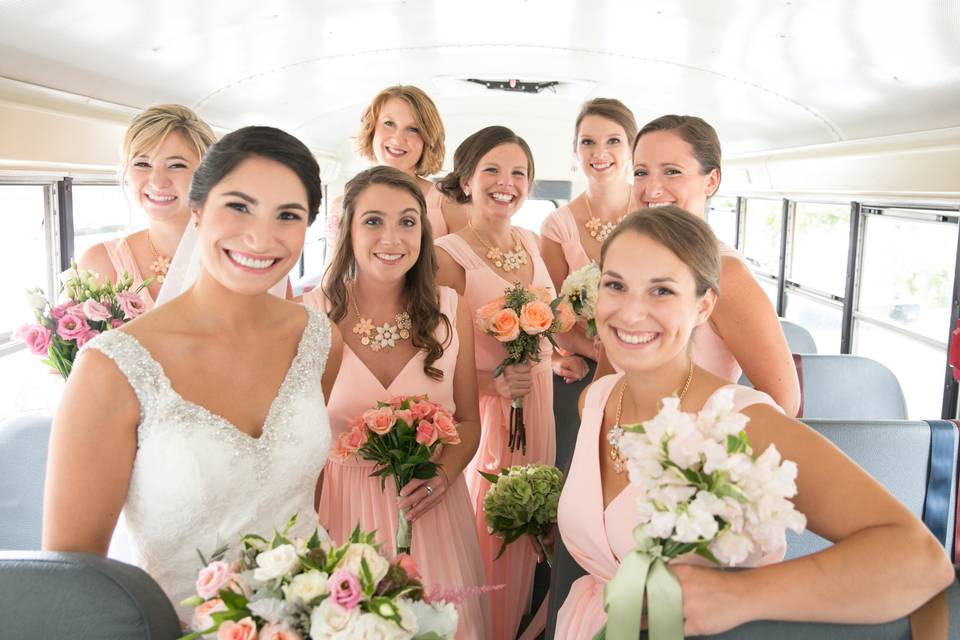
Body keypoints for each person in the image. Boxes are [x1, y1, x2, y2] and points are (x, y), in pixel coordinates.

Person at [554, 206, 953, 638]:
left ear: (704, 306)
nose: (630, 313)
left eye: (662, 291)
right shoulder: (596, 400)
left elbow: (919, 560)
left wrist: (742, 596)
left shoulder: (742, 422)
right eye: (616, 285)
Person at [42, 126, 343, 619]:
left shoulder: (318, 338)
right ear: (197, 212)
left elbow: (302, 493)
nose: (261, 237)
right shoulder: (113, 369)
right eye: (239, 206)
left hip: (323, 615)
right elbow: (74, 584)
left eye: (287, 215)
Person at [303, 166, 490, 638]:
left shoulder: (451, 309)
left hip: (431, 509)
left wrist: (443, 477)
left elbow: (468, 419)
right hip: (341, 512)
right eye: (373, 221)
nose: (392, 237)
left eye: (407, 222)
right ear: (346, 228)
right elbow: (295, 439)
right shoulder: (309, 316)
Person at [435, 126, 555, 640]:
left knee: (534, 522)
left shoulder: (531, 241)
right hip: (488, 414)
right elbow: (434, 359)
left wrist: (563, 354)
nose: (507, 183)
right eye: (493, 170)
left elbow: (550, 321)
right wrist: (494, 382)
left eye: (519, 173)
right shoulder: (448, 254)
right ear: (466, 178)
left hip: (539, 404)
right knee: (490, 525)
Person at [622, 114, 801, 415]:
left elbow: (783, 402)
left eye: (672, 172)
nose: (651, 190)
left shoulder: (725, 274)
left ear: (711, 181)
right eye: (641, 173)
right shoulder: (629, 262)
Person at [540, 98, 637, 473]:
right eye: (588, 142)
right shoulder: (557, 226)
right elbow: (553, 316)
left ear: (630, 148)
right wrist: (594, 351)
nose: (600, 153)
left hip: (649, 368)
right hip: (583, 368)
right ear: (575, 150)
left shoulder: (654, 216)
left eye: (613, 141)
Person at [77, 104, 216, 308]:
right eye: (142, 164)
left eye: (176, 165)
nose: (158, 182)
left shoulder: (243, 255)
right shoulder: (100, 262)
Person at [325, 85, 464, 258]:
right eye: (389, 124)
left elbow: (462, 276)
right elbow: (331, 274)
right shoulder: (341, 204)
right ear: (372, 128)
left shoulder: (448, 205)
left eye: (413, 129)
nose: (398, 138)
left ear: (427, 140)